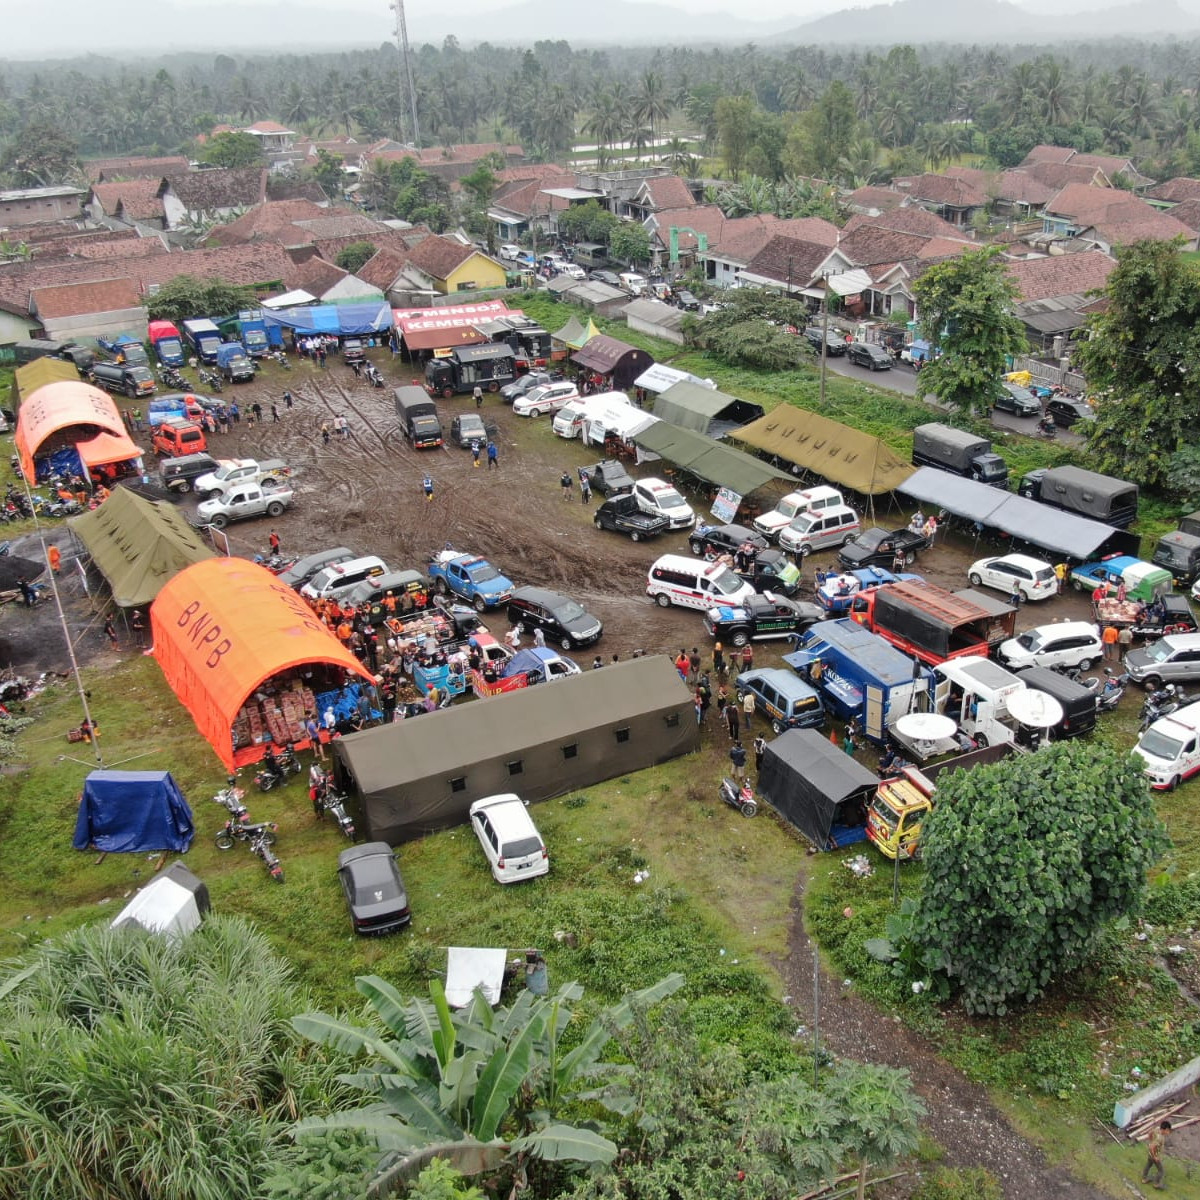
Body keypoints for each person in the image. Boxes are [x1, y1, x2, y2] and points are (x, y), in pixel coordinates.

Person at [1142, 1119, 1170, 1189]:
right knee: (1161, 1171)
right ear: (1165, 1129)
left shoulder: (1157, 1129)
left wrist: (1150, 1141)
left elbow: (1150, 1133)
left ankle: (1144, 1178)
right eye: (1168, 1130)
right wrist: (1155, 1157)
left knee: (1148, 1165)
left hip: (1150, 1154)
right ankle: (1156, 1184)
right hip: (1155, 1156)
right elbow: (1152, 1147)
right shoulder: (1160, 1138)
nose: (1168, 1132)